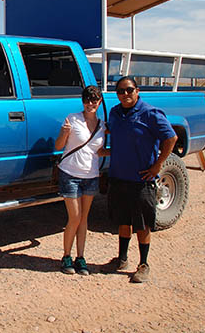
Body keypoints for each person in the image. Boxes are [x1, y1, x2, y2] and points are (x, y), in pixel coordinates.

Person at [105, 76, 177, 283]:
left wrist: (158, 165)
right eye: (120, 91)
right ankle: (122, 259)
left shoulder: (150, 113)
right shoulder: (115, 113)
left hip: (141, 179)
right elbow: (112, 132)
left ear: (137, 91)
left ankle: (143, 264)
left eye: (129, 90)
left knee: (142, 223)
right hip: (118, 176)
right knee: (122, 220)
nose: (125, 95)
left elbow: (170, 138)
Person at [55, 85, 105, 275]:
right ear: (82, 101)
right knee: (74, 217)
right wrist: (64, 133)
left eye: (94, 100)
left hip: (90, 175)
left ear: (99, 102)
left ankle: (80, 257)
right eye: (87, 100)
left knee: (84, 219)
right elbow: (59, 145)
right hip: (70, 174)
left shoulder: (102, 125)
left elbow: (98, 151)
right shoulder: (72, 119)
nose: (90, 103)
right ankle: (66, 256)